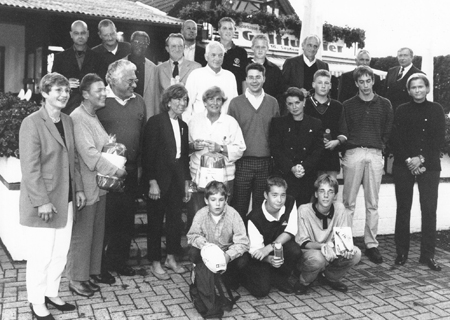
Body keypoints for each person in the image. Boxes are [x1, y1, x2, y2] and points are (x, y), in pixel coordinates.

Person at [19, 73, 86, 319]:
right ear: (45, 93)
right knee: (41, 255)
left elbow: (73, 159)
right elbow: (30, 167)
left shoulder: (67, 120)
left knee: (60, 251)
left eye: (66, 90)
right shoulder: (32, 122)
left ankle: (51, 292)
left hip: (65, 198)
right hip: (44, 202)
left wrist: (78, 188)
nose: (64, 95)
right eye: (58, 90)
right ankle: (36, 302)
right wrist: (42, 202)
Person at [66, 74, 128, 296]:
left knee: (96, 233)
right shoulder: (78, 117)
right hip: (86, 186)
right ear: (85, 94)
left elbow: (102, 146)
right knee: (83, 235)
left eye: (104, 89)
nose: (104, 94)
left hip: (99, 187)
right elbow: (90, 155)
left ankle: (89, 274)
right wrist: (117, 170)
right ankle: (76, 278)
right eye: (99, 90)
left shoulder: (92, 116)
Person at [96, 60, 147, 278]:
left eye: (135, 79)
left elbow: (143, 135)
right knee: (106, 220)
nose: (135, 83)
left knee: (126, 220)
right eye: (130, 80)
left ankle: (119, 262)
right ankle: (99, 266)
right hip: (105, 172)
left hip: (131, 170)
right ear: (112, 80)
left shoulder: (139, 101)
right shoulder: (99, 101)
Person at [390, 73, 446, 271]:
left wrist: (421, 159)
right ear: (408, 90)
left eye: (421, 86)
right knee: (403, 208)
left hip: (429, 165)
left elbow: (438, 138)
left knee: (429, 210)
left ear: (428, 88)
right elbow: (396, 138)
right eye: (413, 87)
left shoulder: (436, 109)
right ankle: (402, 252)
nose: (417, 90)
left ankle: (427, 255)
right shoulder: (402, 110)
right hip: (404, 165)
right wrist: (409, 160)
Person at [339, 66, 393, 264]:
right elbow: (344, 130)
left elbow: (388, 130)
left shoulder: (385, 104)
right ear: (356, 83)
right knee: (348, 203)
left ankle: (371, 244)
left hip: (375, 152)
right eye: (361, 82)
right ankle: (345, 244)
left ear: (373, 81)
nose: (365, 85)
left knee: (373, 203)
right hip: (353, 153)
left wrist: (381, 147)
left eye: (368, 81)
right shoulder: (348, 104)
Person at [143, 84, 192, 280]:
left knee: (174, 222)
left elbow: (184, 157)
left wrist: (187, 182)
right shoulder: (155, 122)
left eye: (185, 100)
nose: (182, 103)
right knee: (155, 222)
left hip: (177, 182)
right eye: (178, 99)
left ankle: (171, 258)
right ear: (168, 101)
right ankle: (155, 262)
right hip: (159, 181)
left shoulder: (183, 126)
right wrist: (152, 181)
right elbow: (147, 154)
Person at [187, 86, 246, 228]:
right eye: (210, 99)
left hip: (224, 179)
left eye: (218, 99)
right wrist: (193, 146)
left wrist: (221, 148)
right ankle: (197, 246)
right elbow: (185, 147)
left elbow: (240, 149)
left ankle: (220, 247)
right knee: (198, 215)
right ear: (204, 102)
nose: (214, 103)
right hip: (198, 178)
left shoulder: (230, 122)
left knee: (221, 217)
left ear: (223, 102)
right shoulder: (194, 121)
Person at [187, 181, 249, 312]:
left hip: (226, 253)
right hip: (207, 253)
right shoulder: (201, 214)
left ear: (226, 199)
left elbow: (243, 242)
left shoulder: (233, 214)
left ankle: (230, 278)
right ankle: (201, 276)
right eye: (213, 200)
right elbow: (192, 235)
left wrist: (227, 256)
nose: (217, 204)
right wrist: (203, 244)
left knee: (243, 259)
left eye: (221, 199)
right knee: (193, 253)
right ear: (206, 200)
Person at [294, 174, 361, 295]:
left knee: (356, 253)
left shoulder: (340, 209)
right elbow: (302, 242)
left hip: (331, 250)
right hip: (311, 252)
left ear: (335, 196)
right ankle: (304, 281)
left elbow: (343, 239)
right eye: (322, 191)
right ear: (316, 194)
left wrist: (345, 249)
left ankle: (330, 277)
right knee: (318, 258)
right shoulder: (303, 210)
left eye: (330, 192)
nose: (325, 196)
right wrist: (322, 246)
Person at [228, 63, 279, 220]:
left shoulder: (273, 103)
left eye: (258, 77)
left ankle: (258, 241)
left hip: (265, 162)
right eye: (251, 77)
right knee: (239, 206)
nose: (254, 81)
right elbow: (230, 134)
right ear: (246, 79)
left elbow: (277, 133)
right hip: (243, 161)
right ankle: (239, 241)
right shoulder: (235, 103)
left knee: (261, 207)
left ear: (264, 78)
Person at [242, 176, 301, 297]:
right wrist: (269, 259)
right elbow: (256, 252)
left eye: (282, 195)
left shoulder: (290, 202)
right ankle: (243, 277)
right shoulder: (254, 218)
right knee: (261, 291)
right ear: (265, 195)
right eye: (274, 195)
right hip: (259, 256)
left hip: (272, 248)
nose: (279, 200)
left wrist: (270, 247)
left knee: (294, 250)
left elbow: (291, 230)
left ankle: (280, 278)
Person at [270, 87, 323, 207]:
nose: (294, 107)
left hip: (306, 175)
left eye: (297, 103)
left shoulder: (315, 123)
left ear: (304, 102)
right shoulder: (278, 123)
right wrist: (291, 167)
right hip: (285, 175)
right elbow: (275, 149)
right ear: (286, 106)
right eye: (290, 104)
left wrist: (304, 167)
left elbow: (318, 150)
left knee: (304, 209)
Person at [52, 20, 106, 115]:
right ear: (71, 34)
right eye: (76, 33)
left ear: (88, 34)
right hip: (67, 108)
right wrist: (66, 83)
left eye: (83, 33)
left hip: (92, 108)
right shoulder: (60, 58)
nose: (80, 36)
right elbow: (53, 84)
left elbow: (103, 83)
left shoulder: (99, 58)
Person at [184, 41, 238, 124]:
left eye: (220, 55)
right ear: (206, 57)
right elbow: (187, 105)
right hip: (200, 127)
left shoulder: (230, 77)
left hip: (224, 128)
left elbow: (234, 107)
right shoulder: (196, 75)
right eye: (213, 55)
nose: (217, 58)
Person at [305, 70, 343, 178]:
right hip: (308, 160)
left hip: (330, 160)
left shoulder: (338, 106)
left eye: (326, 83)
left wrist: (337, 141)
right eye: (319, 82)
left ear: (330, 86)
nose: (323, 86)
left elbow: (344, 130)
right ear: (313, 84)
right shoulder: (304, 104)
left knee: (329, 192)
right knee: (309, 193)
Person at [124, 31, 159, 120]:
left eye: (144, 43)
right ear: (130, 43)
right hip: (124, 115)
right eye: (136, 42)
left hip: (146, 118)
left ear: (147, 45)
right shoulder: (119, 66)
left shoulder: (154, 68)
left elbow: (156, 98)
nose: (140, 45)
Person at [251, 34, 288, 114]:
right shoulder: (244, 67)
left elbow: (281, 94)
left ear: (267, 48)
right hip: (248, 111)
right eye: (257, 47)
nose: (260, 50)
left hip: (268, 112)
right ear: (252, 48)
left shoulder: (275, 70)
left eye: (263, 47)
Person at [218, 17, 248, 95]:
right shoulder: (211, 49)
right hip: (214, 96)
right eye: (224, 28)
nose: (228, 31)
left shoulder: (241, 52)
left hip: (234, 97)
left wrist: (244, 99)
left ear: (234, 31)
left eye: (230, 29)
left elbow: (244, 79)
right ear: (219, 31)